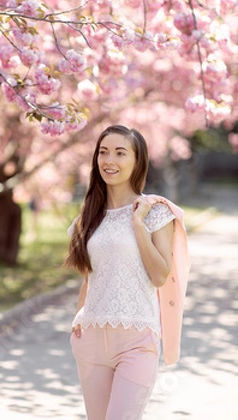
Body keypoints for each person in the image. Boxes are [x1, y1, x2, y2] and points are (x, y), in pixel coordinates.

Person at [64, 125, 190, 420]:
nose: (110, 160)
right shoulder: (88, 217)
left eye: (121, 153)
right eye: (103, 152)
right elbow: (90, 277)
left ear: (137, 161)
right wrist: (78, 317)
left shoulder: (156, 212)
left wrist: (138, 227)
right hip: (92, 340)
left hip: (137, 342)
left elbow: (159, 276)